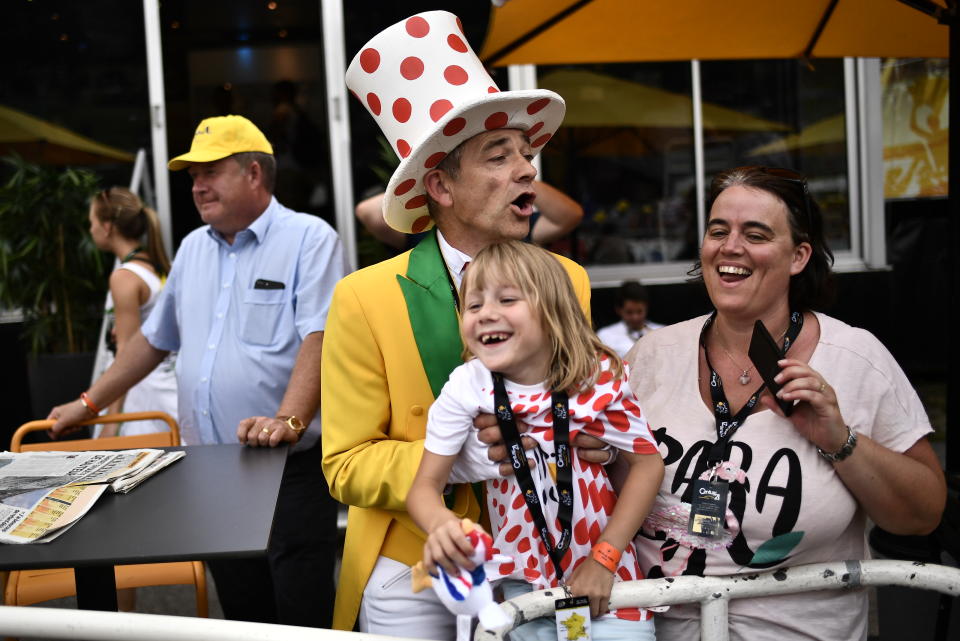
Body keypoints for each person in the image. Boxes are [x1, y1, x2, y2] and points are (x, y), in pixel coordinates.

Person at [321, 11, 605, 637]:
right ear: (441, 186)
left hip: (545, 552)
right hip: (412, 562)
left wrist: (600, 441)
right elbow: (344, 463)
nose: (527, 170)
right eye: (498, 156)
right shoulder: (363, 297)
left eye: (527, 153)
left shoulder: (569, 280)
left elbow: (588, 411)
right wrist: (456, 457)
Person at [626, 165, 946, 641]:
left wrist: (840, 441)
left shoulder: (856, 358)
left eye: (755, 234)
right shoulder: (649, 357)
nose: (730, 247)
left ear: (798, 256)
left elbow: (921, 515)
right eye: (719, 230)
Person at [48, 114, 344, 628]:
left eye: (210, 170)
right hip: (210, 469)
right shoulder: (190, 249)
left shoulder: (310, 239)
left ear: (254, 174)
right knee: (242, 613)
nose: (197, 185)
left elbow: (320, 339)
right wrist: (88, 404)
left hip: (286, 467)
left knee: (302, 616)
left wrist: (287, 421)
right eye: (192, 175)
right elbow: (152, 342)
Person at [407, 240, 664, 640]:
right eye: (473, 306)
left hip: (610, 582)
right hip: (525, 587)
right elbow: (424, 487)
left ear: (553, 310)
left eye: (507, 299)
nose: (486, 314)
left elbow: (649, 465)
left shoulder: (596, 376)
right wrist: (441, 525)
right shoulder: (467, 386)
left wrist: (605, 557)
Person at [88, 187, 177, 438]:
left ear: (107, 227)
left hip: (142, 399)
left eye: (91, 222)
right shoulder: (156, 266)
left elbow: (125, 351)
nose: (90, 229)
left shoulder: (125, 277)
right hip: (167, 388)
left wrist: (112, 421)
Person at [354, 180, 584, 251]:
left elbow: (569, 215)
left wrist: (517, 177)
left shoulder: (516, 225)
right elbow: (367, 212)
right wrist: (426, 175)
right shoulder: (423, 232)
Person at [596, 280, 663, 357]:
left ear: (646, 308)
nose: (635, 317)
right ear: (618, 310)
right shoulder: (605, 336)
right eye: (629, 312)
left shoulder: (661, 331)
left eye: (639, 311)